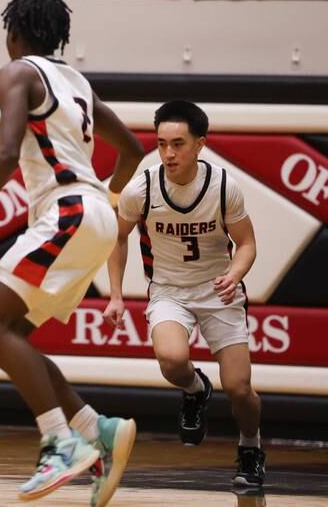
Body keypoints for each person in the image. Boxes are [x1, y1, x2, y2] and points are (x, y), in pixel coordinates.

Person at [0, 0, 145, 504]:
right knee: (15, 334)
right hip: (91, 215)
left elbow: (5, 152)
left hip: (66, 211)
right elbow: (133, 151)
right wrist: (104, 202)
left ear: (14, 34)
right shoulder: (78, 82)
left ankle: (58, 446)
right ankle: (97, 430)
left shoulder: (18, 73)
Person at [103, 100, 265, 488]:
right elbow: (117, 237)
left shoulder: (225, 186)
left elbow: (247, 244)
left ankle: (250, 448)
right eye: (161, 144)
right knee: (172, 360)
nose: (169, 153)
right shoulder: (141, 188)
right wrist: (115, 295)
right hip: (170, 290)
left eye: (178, 144)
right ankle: (196, 390)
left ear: (199, 144)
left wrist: (235, 273)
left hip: (217, 292)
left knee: (240, 388)